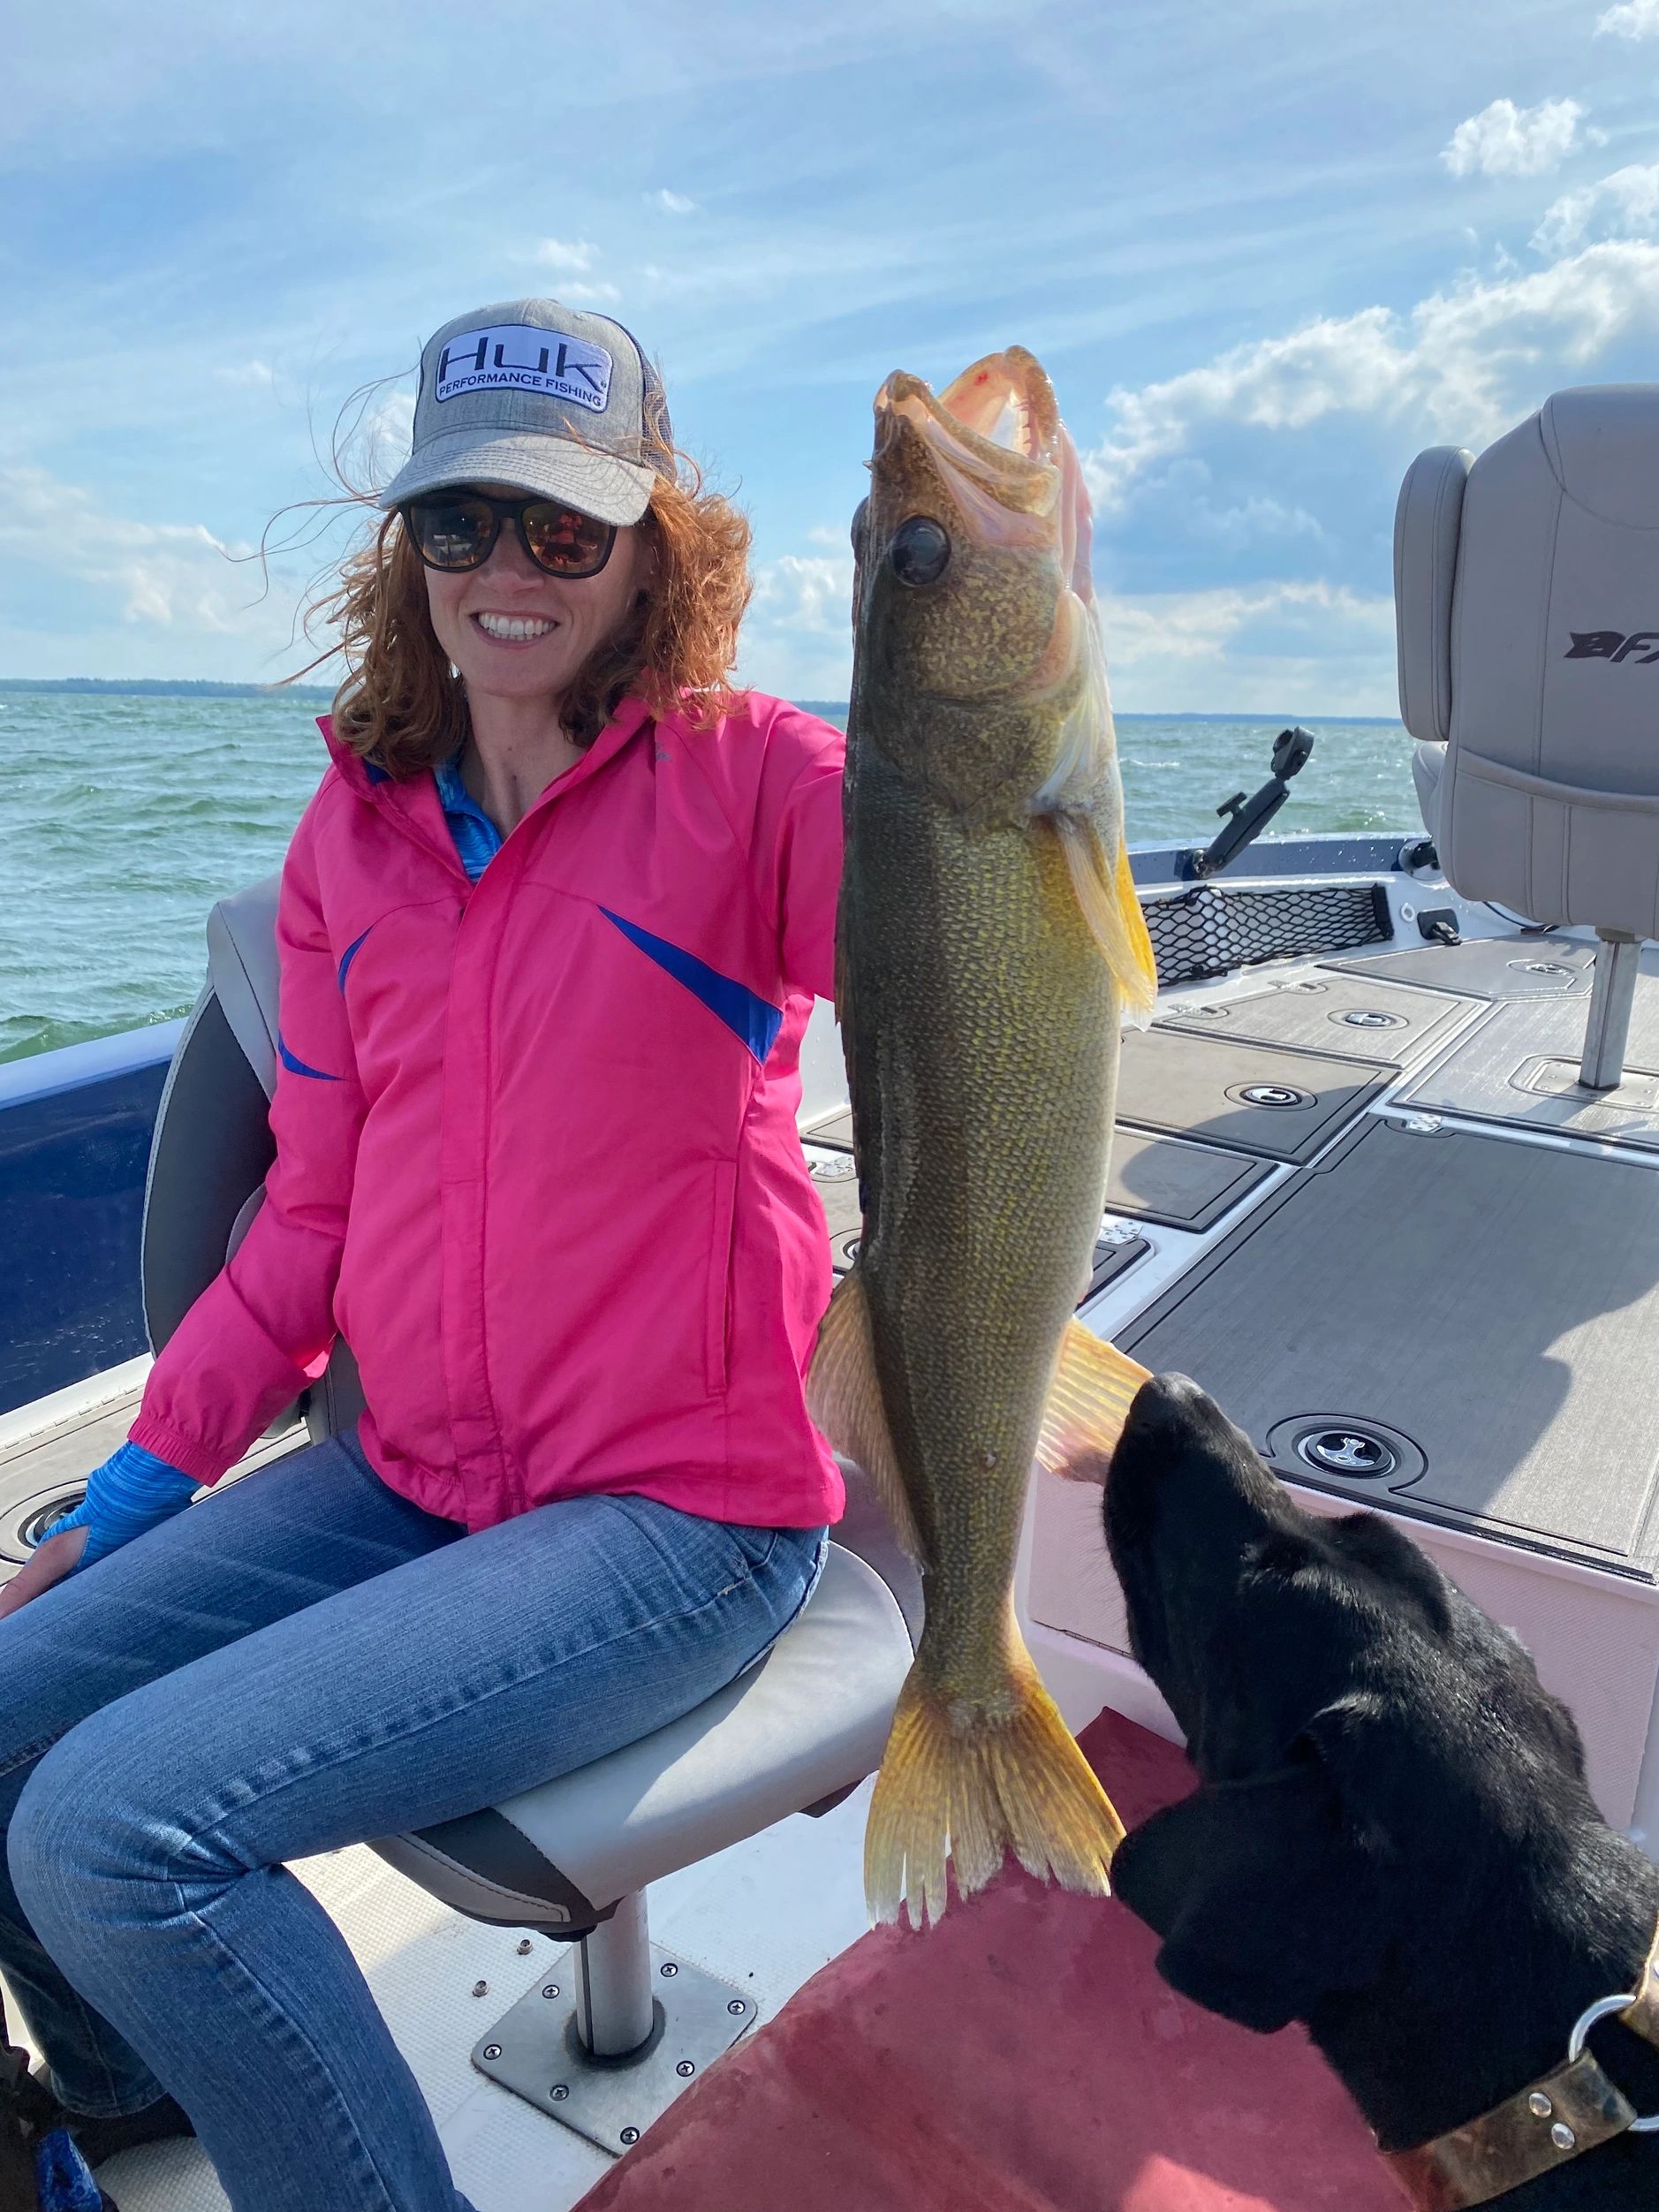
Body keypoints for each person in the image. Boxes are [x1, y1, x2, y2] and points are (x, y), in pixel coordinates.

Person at [0, 298, 846, 2212]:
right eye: (462, 525)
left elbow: (972, 930)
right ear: (411, 553)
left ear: (654, 548)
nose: (508, 571)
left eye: (565, 527)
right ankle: (144, 2097)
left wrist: (1002, 667)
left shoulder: (763, 780)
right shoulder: (349, 837)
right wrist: (141, 1483)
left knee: (115, 1834)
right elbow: (306, 1214)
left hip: (677, 1518)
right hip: (403, 1483)